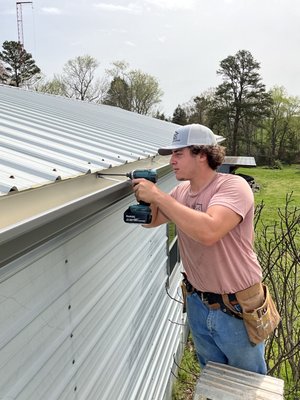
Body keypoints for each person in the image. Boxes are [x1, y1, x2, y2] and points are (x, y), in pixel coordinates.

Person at [132, 123, 267, 374]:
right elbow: (151, 222)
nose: (172, 161)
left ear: (202, 154)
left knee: (247, 383)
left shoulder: (232, 186)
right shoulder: (181, 191)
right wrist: (145, 198)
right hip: (198, 302)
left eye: (178, 154)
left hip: (237, 306)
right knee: (212, 376)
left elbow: (209, 232)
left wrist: (159, 196)